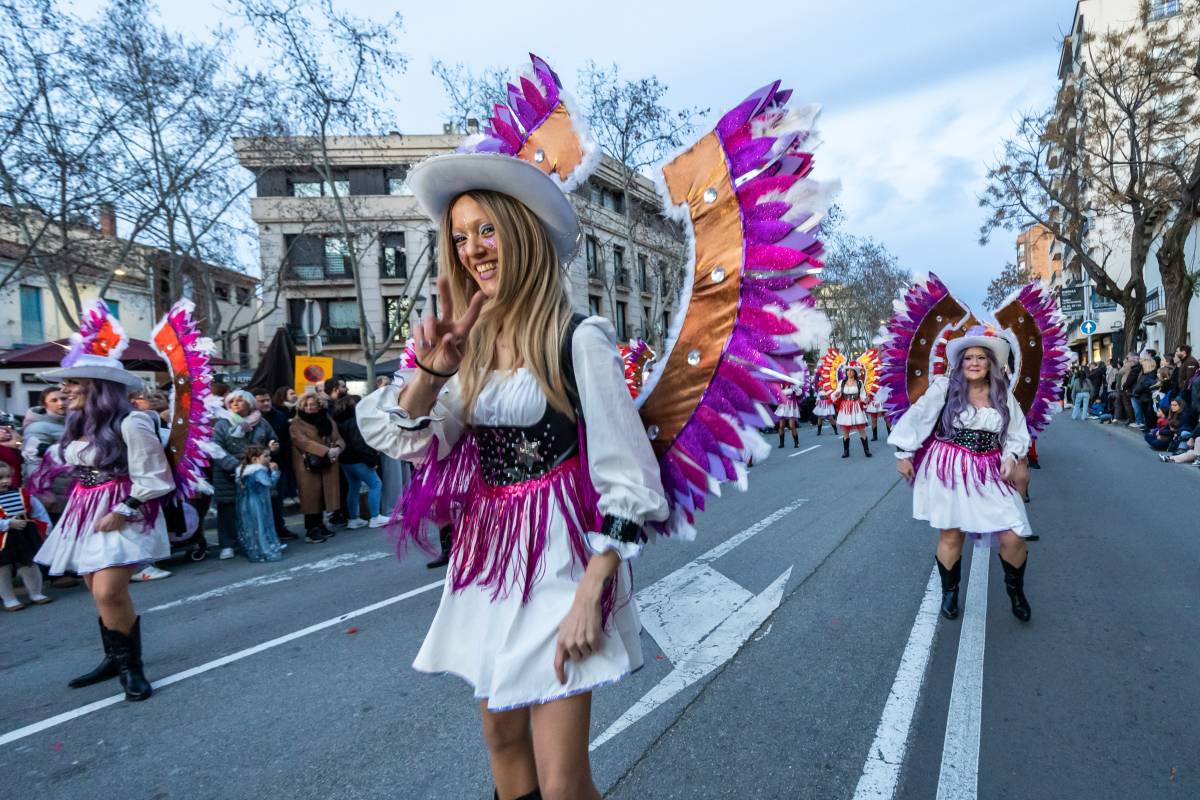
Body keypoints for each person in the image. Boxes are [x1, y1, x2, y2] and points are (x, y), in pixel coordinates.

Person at [355, 162, 668, 798]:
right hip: (489, 554)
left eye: (487, 230)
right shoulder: (463, 345)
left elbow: (629, 476)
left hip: (561, 559)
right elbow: (409, 439)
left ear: (522, 234)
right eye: (461, 236)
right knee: (500, 741)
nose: (472, 249)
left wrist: (592, 593)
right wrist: (434, 371)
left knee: (562, 780)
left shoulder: (580, 340)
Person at [34, 367, 175, 701]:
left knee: (109, 591)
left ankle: (131, 668)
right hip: (83, 509)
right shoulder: (79, 422)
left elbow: (156, 476)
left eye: (73, 383)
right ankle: (114, 659)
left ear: (99, 387)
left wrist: (123, 510)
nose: (65, 389)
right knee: (95, 591)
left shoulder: (132, 422)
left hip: (122, 509)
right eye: (64, 384)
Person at [888, 327, 1032, 623]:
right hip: (949, 468)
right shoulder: (944, 388)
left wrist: (1010, 455)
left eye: (981, 357)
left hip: (990, 469)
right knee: (952, 535)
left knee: (1014, 534)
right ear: (960, 363)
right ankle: (950, 592)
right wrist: (903, 452)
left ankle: (1016, 591)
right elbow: (920, 416)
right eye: (969, 358)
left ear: (990, 363)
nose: (975, 363)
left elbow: (1017, 433)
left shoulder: (1002, 393)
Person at [211, 389, 275, 560]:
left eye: (239, 401)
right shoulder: (222, 424)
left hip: (255, 472)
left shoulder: (261, 423)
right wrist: (237, 467)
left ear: (250, 403)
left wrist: (271, 447)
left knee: (253, 508)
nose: (235, 404)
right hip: (229, 472)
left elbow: (272, 439)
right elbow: (215, 449)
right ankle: (227, 544)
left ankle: (252, 541)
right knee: (228, 508)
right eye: (231, 401)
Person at [290, 393, 343, 542]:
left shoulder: (327, 420)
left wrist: (338, 448)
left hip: (327, 462)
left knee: (322, 496)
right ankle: (311, 530)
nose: (309, 407)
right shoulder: (296, 423)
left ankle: (320, 525)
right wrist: (327, 450)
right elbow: (302, 442)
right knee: (310, 497)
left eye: (313, 404)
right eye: (306, 405)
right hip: (307, 464)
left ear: (319, 405)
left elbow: (338, 437)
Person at [0, 460, 52, 611]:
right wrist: (7, 524)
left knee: (29, 564)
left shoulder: (22, 493)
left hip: (25, 533)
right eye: (0, 478)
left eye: (7, 477)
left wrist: (46, 528)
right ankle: (9, 599)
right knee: (3, 568)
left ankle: (36, 593)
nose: (5, 481)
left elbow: (38, 511)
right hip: (3, 538)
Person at [331, 395, 388, 528]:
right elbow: (359, 444)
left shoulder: (336, 422)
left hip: (345, 460)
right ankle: (375, 517)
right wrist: (371, 461)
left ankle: (353, 519)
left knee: (353, 488)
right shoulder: (354, 421)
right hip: (358, 460)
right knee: (376, 484)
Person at [254, 389, 299, 541]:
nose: (266, 403)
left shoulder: (279, 415)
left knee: (276, 499)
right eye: (262, 401)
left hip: (278, 464)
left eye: (267, 400)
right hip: (255, 467)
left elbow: (285, 440)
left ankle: (279, 528)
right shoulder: (250, 420)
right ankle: (263, 533)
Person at [236, 445, 284, 562]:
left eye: (269, 456)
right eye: (266, 456)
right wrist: (274, 472)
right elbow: (268, 483)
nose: (269, 459)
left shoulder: (245, 470)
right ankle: (266, 550)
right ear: (255, 459)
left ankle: (255, 549)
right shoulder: (258, 471)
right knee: (262, 525)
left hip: (247, 502)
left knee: (253, 526)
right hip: (257, 502)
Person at [833, 364, 871, 458]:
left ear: (855, 373)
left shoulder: (859, 383)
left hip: (856, 407)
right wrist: (837, 394)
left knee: (861, 429)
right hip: (845, 407)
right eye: (848, 370)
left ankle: (866, 450)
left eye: (851, 370)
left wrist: (865, 399)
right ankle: (846, 451)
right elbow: (835, 394)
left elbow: (862, 395)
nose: (849, 372)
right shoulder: (842, 382)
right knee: (845, 430)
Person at [774, 382, 802, 448]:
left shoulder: (793, 384)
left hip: (791, 406)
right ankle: (781, 443)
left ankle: (796, 442)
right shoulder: (781, 384)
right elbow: (776, 394)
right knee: (781, 426)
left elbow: (799, 393)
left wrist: (796, 388)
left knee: (792, 425)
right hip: (782, 405)